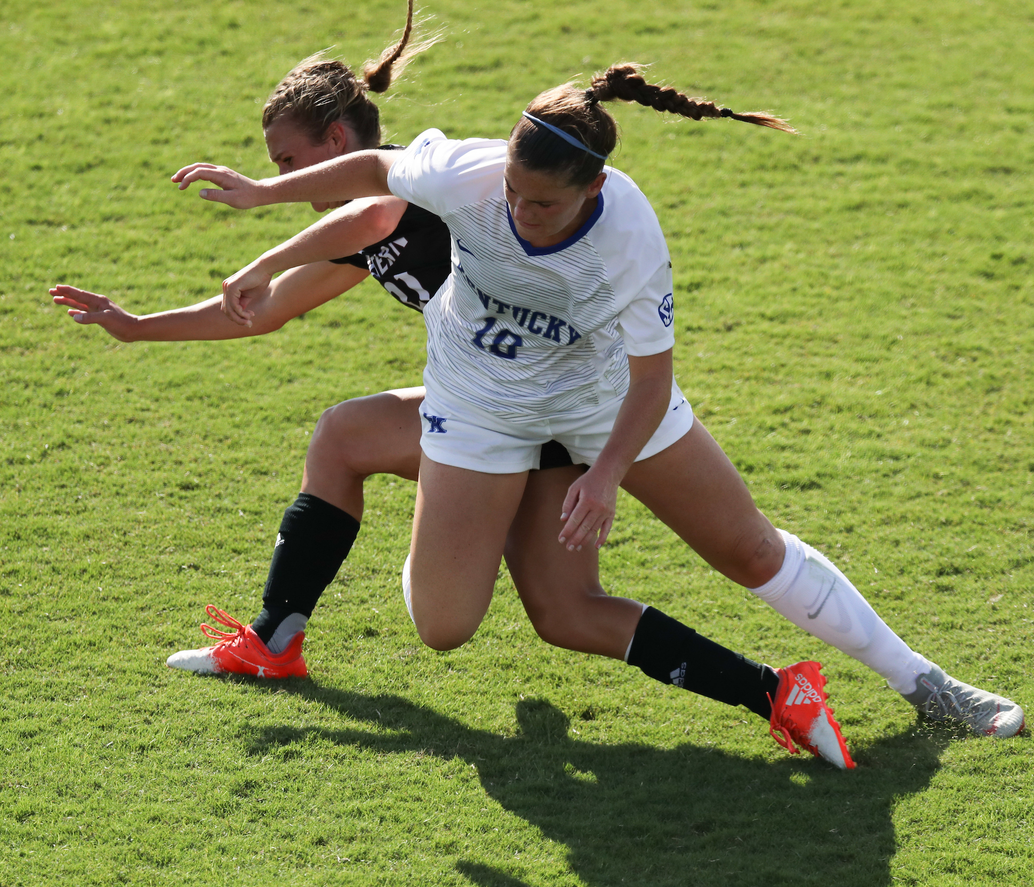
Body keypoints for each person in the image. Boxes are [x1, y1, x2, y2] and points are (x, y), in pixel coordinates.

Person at [52, 7, 858, 769]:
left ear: (336, 140)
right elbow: (258, 313)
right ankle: (276, 638)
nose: (282, 180)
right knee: (494, 558)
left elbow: (361, 216)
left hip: (552, 426)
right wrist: (137, 324)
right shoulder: (383, 215)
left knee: (505, 606)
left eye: (289, 163)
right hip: (489, 417)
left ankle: (773, 685)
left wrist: (262, 229)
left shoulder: (414, 199)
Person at [172, 61, 1025, 740]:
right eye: (512, 193)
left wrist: (606, 473)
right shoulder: (475, 175)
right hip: (479, 401)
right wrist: (261, 209)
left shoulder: (629, 240)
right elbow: (369, 176)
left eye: (542, 203)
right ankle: (457, 506)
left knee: (747, 546)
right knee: (441, 625)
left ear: (594, 188)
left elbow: (651, 382)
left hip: (598, 402)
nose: (519, 214)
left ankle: (926, 683)